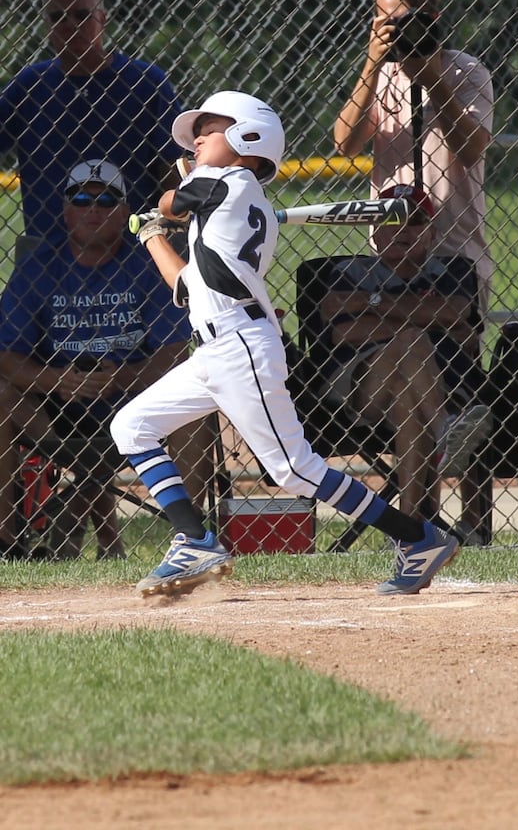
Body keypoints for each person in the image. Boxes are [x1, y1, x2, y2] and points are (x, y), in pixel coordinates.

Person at [109, 90, 460, 597]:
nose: (198, 139)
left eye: (209, 128)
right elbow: (186, 287)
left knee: (292, 469)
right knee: (133, 426)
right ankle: (193, 539)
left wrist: (158, 212)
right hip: (214, 349)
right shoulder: (234, 205)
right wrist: (152, 238)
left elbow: (171, 200)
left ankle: (418, 538)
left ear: (248, 136)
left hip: (239, 347)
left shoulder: (225, 180)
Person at [0, 159, 193, 560]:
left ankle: (193, 539)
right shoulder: (39, 267)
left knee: (199, 404)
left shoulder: (147, 262)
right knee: (1, 396)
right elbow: (7, 356)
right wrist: (57, 380)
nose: (93, 208)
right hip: (55, 409)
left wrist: (125, 376)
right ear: (66, 209)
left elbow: (175, 352)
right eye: (81, 198)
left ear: (124, 213)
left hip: (137, 400)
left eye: (107, 200)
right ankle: (7, 544)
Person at [318, 182, 492, 520]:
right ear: (375, 232)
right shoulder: (349, 271)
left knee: (406, 400)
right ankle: (445, 430)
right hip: (362, 388)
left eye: (413, 220)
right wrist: (420, 319)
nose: (401, 230)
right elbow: (342, 330)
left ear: (429, 232)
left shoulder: (451, 270)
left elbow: (456, 315)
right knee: (412, 339)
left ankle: (411, 527)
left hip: (420, 388)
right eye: (389, 220)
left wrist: (371, 307)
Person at [332, 0, 495, 314]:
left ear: (431, 20)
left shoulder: (465, 70)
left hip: (454, 246)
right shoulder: (382, 77)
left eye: (407, 21)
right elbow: (345, 144)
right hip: (392, 248)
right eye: (387, 22)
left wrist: (431, 80)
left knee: (456, 357)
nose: (398, 31)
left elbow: (471, 150)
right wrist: (372, 64)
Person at [0, 0, 182, 245]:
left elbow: (173, 172)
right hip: (51, 251)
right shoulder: (29, 87)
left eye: (82, 15)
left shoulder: (145, 83)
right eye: (58, 17)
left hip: (133, 251)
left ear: (103, 19)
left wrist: (178, 235)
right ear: (46, 25)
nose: (70, 25)